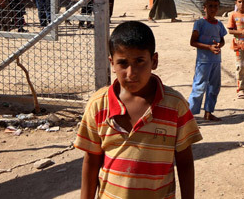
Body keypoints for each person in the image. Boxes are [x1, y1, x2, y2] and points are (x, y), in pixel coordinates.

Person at [74, 21, 201, 199]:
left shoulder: (175, 105)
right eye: (123, 63)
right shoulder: (98, 105)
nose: (131, 73)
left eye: (140, 61)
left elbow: (185, 161)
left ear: (154, 61)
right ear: (112, 63)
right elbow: (91, 161)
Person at [188, 0, 226, 121]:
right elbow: (193, 42)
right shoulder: (199, 23)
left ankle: (209, 112)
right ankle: (189, 116)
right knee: (199, 87)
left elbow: (222, 40)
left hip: (216, 60)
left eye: (215, 6)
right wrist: (208, 47)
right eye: (210, 6)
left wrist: (219, 45)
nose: (213, 9)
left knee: (214, 87)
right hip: (203, 61)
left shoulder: (219, 24)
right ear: (204, 8)